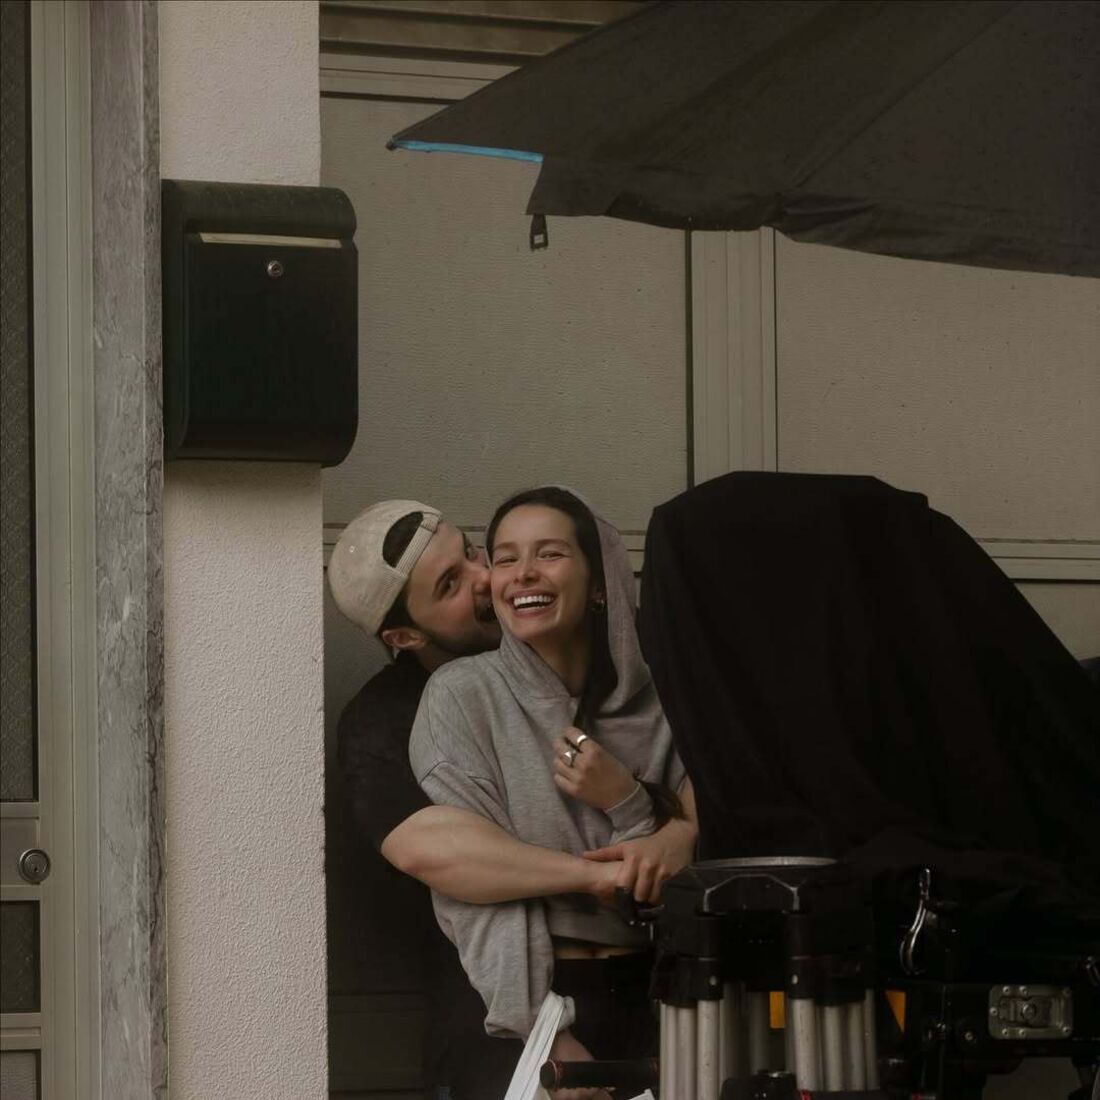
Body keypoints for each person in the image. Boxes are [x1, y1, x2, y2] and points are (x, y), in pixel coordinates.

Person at [328, 499, 698, 1100]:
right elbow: (455, 868)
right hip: (497, 1003)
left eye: (474, 554)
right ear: (405, 636)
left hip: (652, 991)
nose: (487, 577)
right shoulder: (397, 718)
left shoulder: (646, 679)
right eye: (451, 584)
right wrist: (545, 1029)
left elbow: (712, 789)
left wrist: (668, 826)